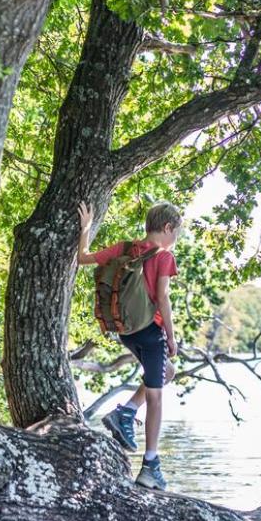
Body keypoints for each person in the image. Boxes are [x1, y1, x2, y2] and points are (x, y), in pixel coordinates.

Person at [75, 200, 182, 490]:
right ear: (168, 227)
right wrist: (171, 336)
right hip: (151, 332)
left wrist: (86, 228)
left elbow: (82, 258)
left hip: (127, 331)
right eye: (177, 234)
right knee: (157, 398)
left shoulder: (124, 249)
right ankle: (150, 466)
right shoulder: (163, 256)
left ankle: (127, 411)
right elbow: (163, 298)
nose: (175, 240)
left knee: (166, 372)